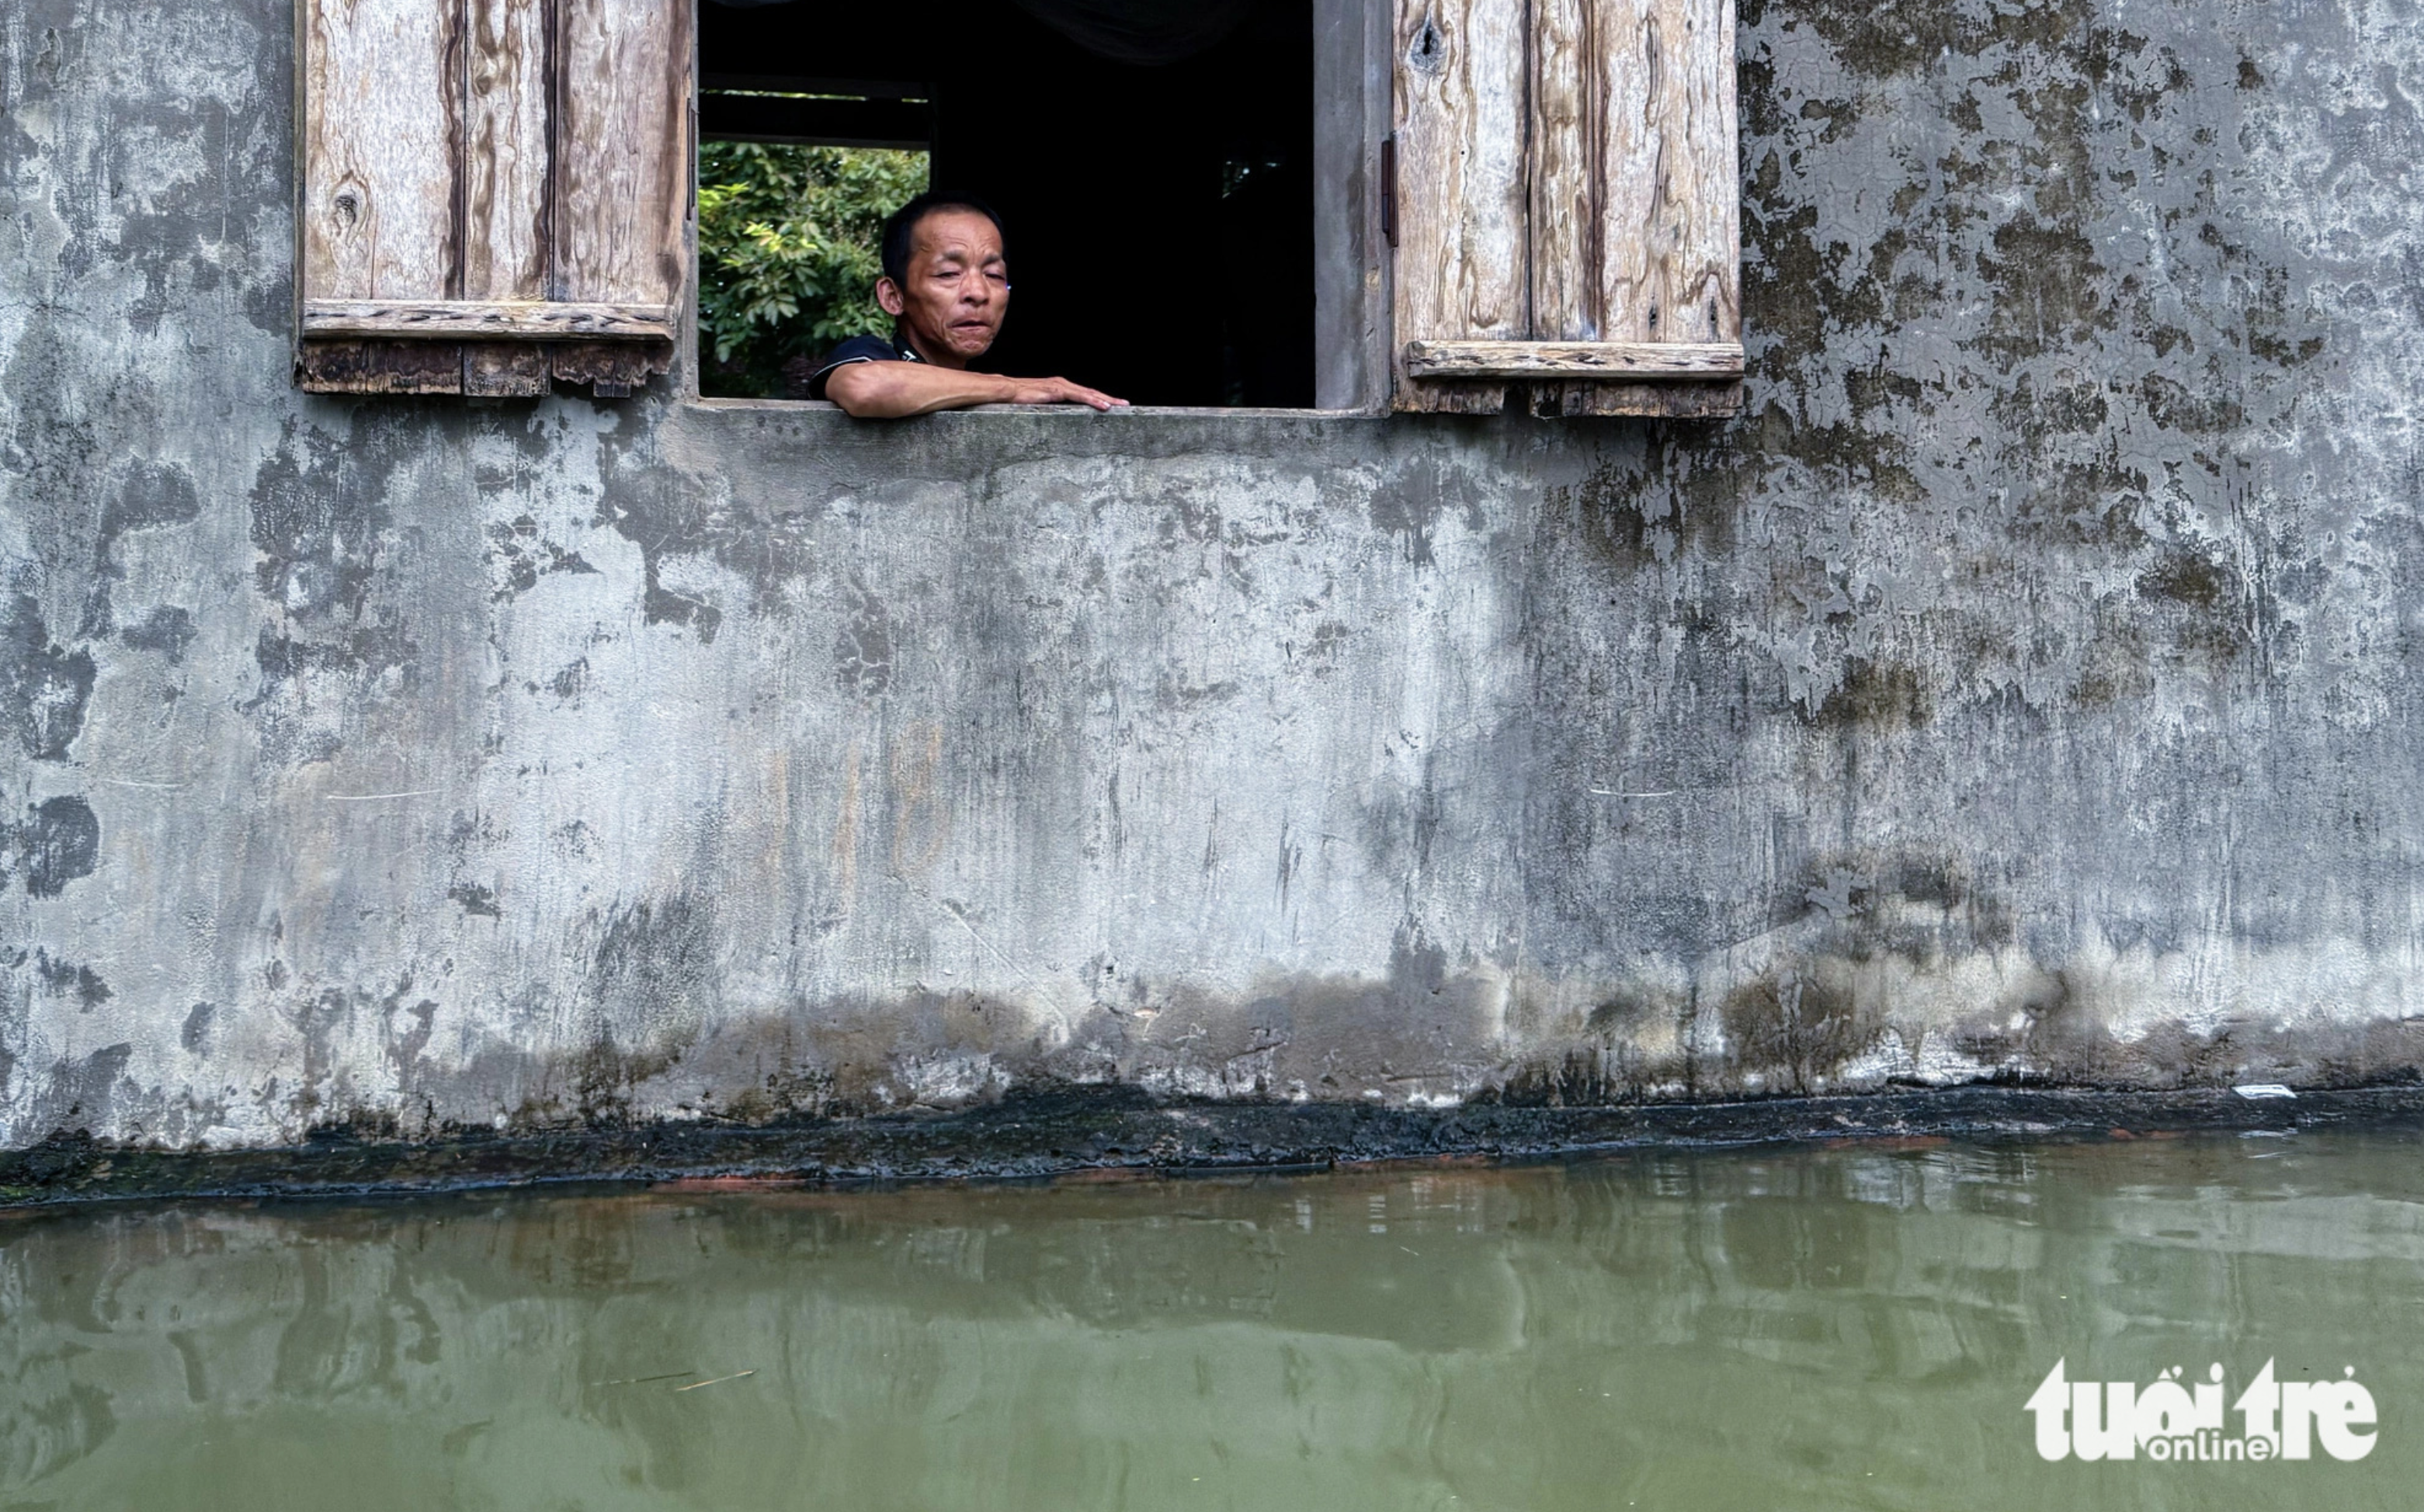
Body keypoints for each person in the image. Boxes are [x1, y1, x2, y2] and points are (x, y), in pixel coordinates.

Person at [805, 190, 1127, 418]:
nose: (978, 292)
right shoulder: (872, 355)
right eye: (948, 273)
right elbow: (867, 388)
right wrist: (1009, 389)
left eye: (993, 274)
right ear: (893, 296)